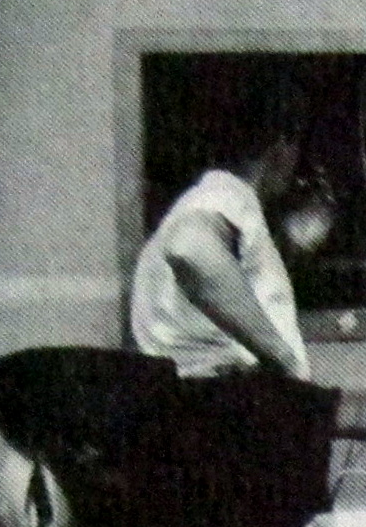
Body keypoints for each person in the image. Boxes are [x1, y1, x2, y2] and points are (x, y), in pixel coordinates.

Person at [129, 80, 333, 381]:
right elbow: (189, 246)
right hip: (220, 404)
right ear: (282, 147)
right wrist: (285, 360)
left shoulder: (203, 203)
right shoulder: (227, 194)